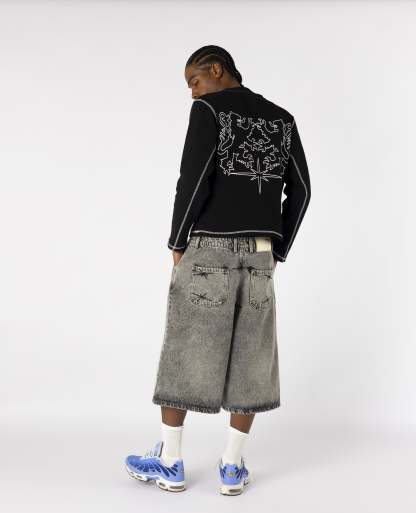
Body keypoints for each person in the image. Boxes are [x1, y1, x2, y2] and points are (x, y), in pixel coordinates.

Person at [125, 45, 311, 495]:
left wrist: (177, 242)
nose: (193, 93)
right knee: (252, 356)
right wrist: (277, 248)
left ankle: (170, 461)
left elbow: (193, 178)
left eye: (194, 81)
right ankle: (231, 466)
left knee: (186, 349)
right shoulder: (282, 119)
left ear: (216, 69)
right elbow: (303, 190)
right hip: (261, 257)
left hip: (209, 250)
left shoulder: (209, 110)